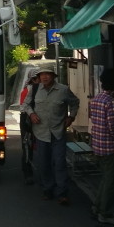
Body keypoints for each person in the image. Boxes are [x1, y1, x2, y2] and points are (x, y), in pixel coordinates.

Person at [21, 61, 79, 205]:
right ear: (39, 76)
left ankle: (62, 192)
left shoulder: (63, 90)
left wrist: (71, 117)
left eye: (48, 74)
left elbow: (75, 103)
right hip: (41, 133)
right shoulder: (34, 89)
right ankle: (48, 189)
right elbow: (25, 105)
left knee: (59, 163)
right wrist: (32, 114)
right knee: (44, 163)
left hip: (58, 132)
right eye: (42, 74)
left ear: (53, 76)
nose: (45, 77)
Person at [89, 68, 114, 226]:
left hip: (98, 145)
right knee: (111, 182)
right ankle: (105, 213)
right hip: (110, 147)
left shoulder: (97, 98)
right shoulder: (110, 102)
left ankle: (97, 207)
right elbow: (112, 127)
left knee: (105, 179)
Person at [20, 66, 40, 185]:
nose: (40, 80)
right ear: (32, 79)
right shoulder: (28, 90)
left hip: (39, 119)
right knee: (27, 146)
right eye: (37, 78)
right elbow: (24, 107)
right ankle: (28, 173)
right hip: (27, 120)